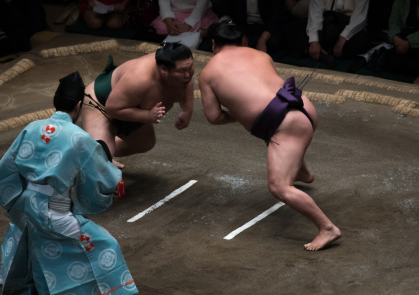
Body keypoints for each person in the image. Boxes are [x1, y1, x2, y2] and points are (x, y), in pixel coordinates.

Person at [0, 71, 138, 295]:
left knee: (21, 229)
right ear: (79, 106)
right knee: (100, 244)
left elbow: (5, 168)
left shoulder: (32, 127)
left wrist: (15, 198)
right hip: (51, 208)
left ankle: (4, 274)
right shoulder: (79, 138)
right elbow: (102, 176)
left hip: (25, 202)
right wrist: (112, 173)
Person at [198, 23, 341, 251]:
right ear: (243, 40)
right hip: (304, 108)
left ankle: (327, 228)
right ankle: (303, 172)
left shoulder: (207, 74)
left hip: (285, 125)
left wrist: (240, 114)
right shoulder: (262, 55)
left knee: (279, 188)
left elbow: (214, 117)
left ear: (213, 44)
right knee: (287, 138)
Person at [81, 42, 194, 168]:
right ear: (163, 70)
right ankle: (97, 153)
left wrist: (186, 110)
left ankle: (104, 151)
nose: (188, 75)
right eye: (183, 70)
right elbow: (112, 108)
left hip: (131, 109)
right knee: (99, 160)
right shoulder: (140, 78)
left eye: (190, 68)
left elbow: (187, 83)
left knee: (145, 143)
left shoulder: (183, 74)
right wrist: (147, 115)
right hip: (101, 104)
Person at [305, 0, 371, 66]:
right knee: (309, 33)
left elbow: (360, 16)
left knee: (362, 41)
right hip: (329, 23)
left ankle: (323, 53)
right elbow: (316, 12)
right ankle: (323, 52)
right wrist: (314, 41)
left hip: (350, 26)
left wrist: (344, 36)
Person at [150, 0, 218, 39]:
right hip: (175, 13)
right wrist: (169, 22)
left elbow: (201, 6)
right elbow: (164, 3)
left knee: (203, 29)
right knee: (163, 28)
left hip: (198, 12)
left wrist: (188, 24)